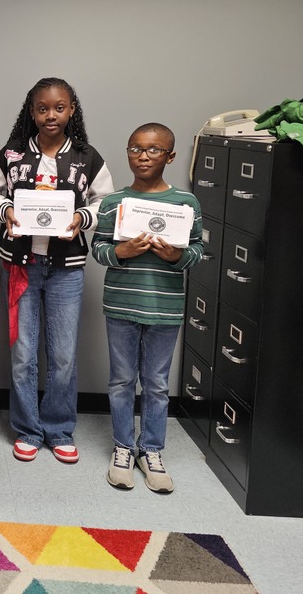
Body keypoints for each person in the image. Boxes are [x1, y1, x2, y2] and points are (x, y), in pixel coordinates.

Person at [0, 77, 113, 465]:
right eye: (42, 108)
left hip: (66, 268)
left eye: (59, 107)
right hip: (20, 265)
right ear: (31, 111)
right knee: (22, 354)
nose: (50, 115)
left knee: (64, 355)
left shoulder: (87, 157)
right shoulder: (12, 154)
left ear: (72, 110)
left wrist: (81, 217)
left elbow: (106, 200)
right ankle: (28, 429)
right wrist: (5, 211)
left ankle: (58, 428)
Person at [91, 123, 203, 493]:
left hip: (165, 307)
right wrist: (120, 252)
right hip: (121, 304)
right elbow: (99, 249)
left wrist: (178, 256)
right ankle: (123, 447)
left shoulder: (186, 204)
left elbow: (198, 252)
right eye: (135, 148)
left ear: (170, 156)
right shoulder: (113, 202)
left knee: (156, 383)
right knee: (121, 380)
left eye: (154, 150)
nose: (143, 155)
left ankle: (151, 450)